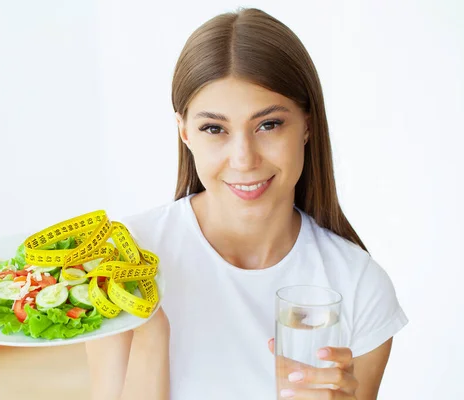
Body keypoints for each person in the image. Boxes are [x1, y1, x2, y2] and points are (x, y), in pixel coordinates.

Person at [85, 7, 408, 400]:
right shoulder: (125, 257)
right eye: (214, 129)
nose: (244, 159)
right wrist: (153, 333)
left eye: (268, 124)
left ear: (307, 124)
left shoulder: (358, 285)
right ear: (184, 132)